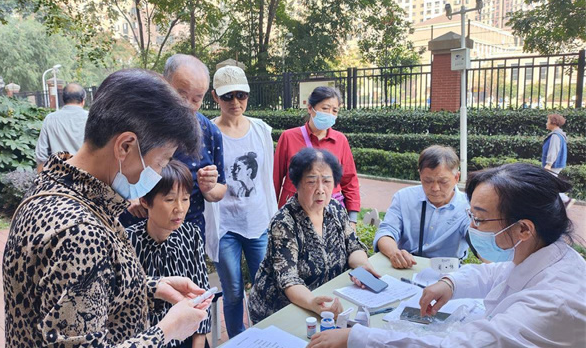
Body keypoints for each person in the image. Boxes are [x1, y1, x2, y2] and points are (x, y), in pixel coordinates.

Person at [3, 69, 212, 347]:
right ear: (125, 146)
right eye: (161, 162)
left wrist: (150, 286)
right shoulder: (80, 232)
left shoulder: (56, 185)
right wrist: (167, 329)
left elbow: (80, 291)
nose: (159, 173)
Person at [309, 163, 586, 347]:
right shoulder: (541, 254)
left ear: (524, 229)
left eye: (480, 219)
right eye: (471, 216)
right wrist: (450, 284)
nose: (472, 227)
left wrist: (358, 338)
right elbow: (496, 273)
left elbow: (457, 346)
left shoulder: (553, 302)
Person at [249, 148, 376, 324]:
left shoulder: (336, 209)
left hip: (327, 300)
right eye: (311, 182)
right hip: (280, 310)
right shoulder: (284, 222)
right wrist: (312, 302)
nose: (321, 190)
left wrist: (363, 266)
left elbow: (353, 246)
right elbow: (289, 279)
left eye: (327, 181)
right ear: (297, 183)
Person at [122, 54, 227, 241]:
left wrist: (209, 187)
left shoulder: (209, 132)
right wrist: (128, 194)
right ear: (164, 83)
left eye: (196, 99)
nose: (187, 106)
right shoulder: (134, 121)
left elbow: (220, 189)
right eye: (181, 95)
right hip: (136, 230)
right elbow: (107, 169)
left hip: (187, 235)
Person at [208, 65, 278, 338]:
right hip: (225, 225)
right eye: (227, 96)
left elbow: (267, 179)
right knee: (234, 291)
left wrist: (272, 218)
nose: (235, 102)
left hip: (258, 222)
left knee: (264, 287)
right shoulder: (209, 132)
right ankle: (239, 339)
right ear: (215, 96)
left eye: (241, 95)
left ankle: (265, 337)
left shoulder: (260, 130)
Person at [127, 159, 211, 348]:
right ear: (144, 200)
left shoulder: (191, 234)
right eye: (170, 199)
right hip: (148, 340)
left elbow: (202, 293)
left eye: (185, 199)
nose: (180, 208)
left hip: (188, 334)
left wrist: (198, 343)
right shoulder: (127, 241)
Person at [274, 86, 361, 225]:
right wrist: (271, 215)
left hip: (330, 216)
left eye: (335, 111)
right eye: (325, 108)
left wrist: (352, 219)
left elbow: (350, 181)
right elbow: (275, 179)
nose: (330, 114)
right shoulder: (288, 137)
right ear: (310, 108)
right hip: (293, 215)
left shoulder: (340, 140)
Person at [374, 145, 470, 269]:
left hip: (447, 271)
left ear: (456, 177)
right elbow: (386, 232)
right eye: (427, 181)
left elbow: (478, 240)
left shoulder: (468, 206)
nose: (435, 188)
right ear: (420, 175)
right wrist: (394, 253)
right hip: (407, 265)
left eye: (443, 182)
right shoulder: (404, 197)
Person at [35, 82, 89, 172]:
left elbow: (41, 154)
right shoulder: (91, 118)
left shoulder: (50, 119)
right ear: (83, 100)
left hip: (59, 175)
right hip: (87, 175)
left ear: (63, 100)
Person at [542, 113, 574, 208]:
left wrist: (549, 163)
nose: (546, 123)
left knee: (549, 184)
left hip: (553, 164)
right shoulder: (558, 134)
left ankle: (566, 200)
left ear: (554, 123)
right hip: (556, 164)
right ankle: (561, 201)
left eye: (548, 121)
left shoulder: (555, 136)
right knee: (550, 184)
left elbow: (553, 150)